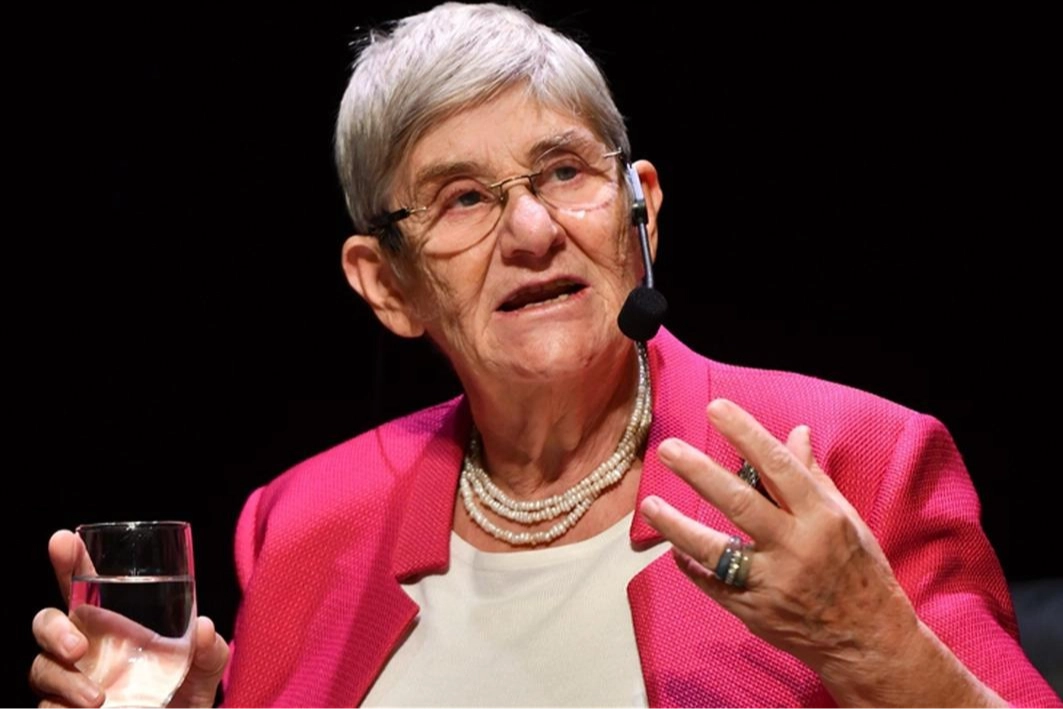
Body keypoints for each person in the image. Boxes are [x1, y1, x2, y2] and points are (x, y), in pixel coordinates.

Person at [30, 3, 1060, 707]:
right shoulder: (301, 521)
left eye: (564, 171)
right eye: (463, 199)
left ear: (638, 208)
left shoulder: (853, 456)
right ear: (385, 283)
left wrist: (873, 648)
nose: (532, 231)